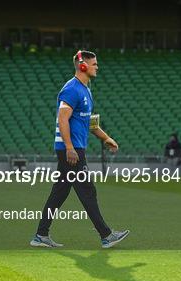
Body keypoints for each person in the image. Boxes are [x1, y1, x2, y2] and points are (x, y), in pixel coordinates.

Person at [30, 50, 129, 249]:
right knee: (87, 190)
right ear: (83, 66)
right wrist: (69, 147)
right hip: (71, 149)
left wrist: (106, 138)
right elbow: (62, 119)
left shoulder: (86, 90)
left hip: (74, 148)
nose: (97, 67)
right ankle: (106, 235)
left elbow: (90, 122)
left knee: (59, 193)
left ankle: (41, 235)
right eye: (94, 64)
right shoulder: (71, 89)